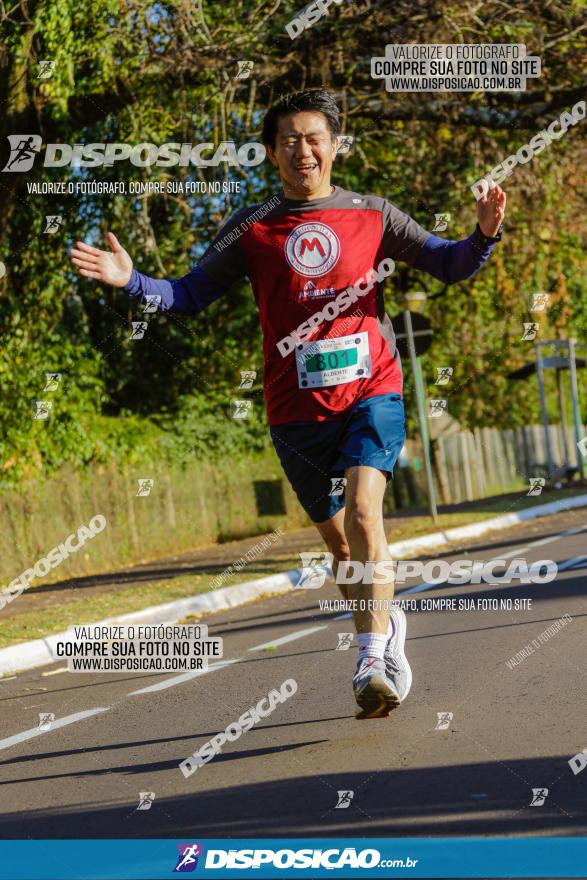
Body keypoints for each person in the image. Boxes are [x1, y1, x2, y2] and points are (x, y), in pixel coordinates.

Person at [70, 89, 506, 719]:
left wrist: (485, 233)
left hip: (370, 390)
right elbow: (189, 295)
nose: (303, 149)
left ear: (333, 145)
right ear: (273, 152)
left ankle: (370, 655)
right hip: (292, 410)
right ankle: (386, 625)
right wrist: (130, 280)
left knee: (364, 517)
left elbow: (449, 263)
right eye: (290, 140)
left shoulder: (373, 214)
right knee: (342, 550)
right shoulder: (252, 227)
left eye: (314, 137)